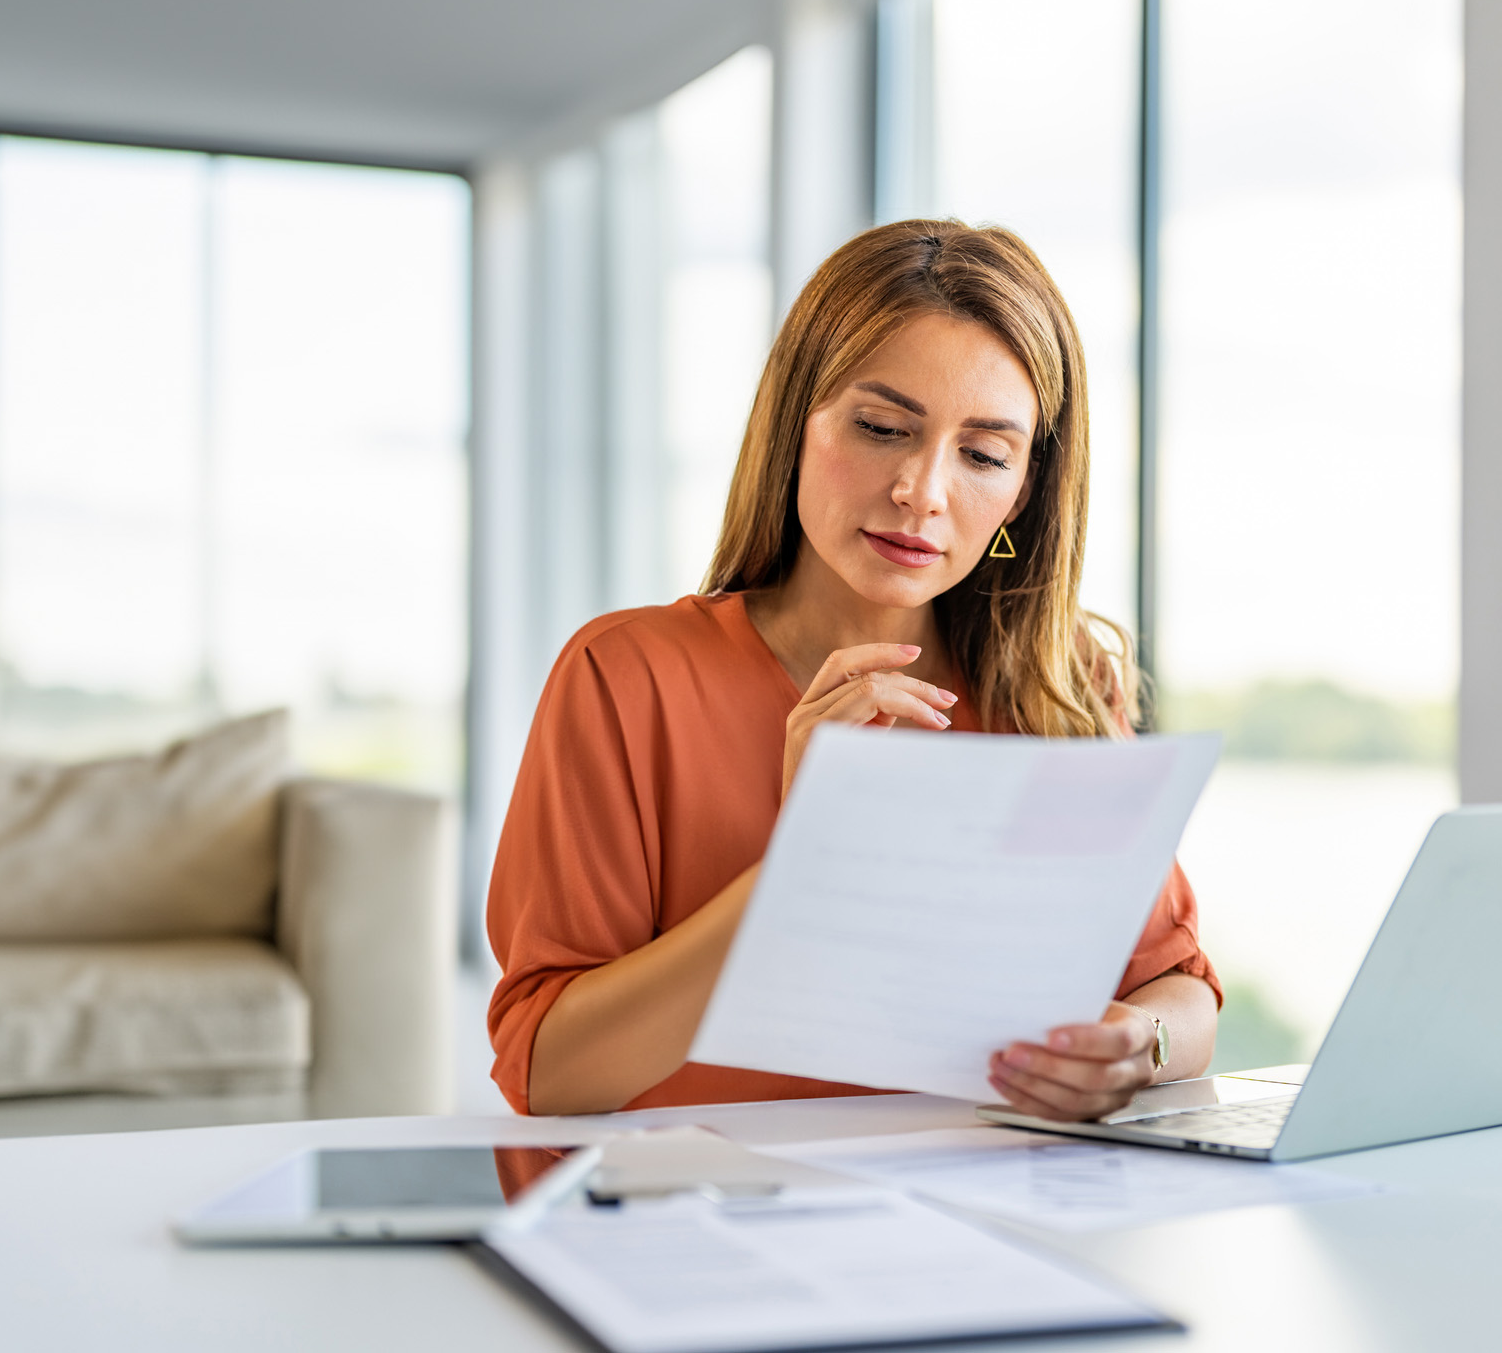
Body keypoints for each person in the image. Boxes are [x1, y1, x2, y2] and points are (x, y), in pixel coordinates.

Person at [486, 219, 1220, 1120]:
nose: (922, 490)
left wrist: (1136, 1049)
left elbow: (1181, 995)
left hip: (982, 1205)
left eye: (984, 454)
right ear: (795, 420)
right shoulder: (628, 676)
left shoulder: (1057, 681)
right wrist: (806, 864)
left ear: (1023, 492)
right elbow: (549, 1074)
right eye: (880, 427)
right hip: (698, 1216)